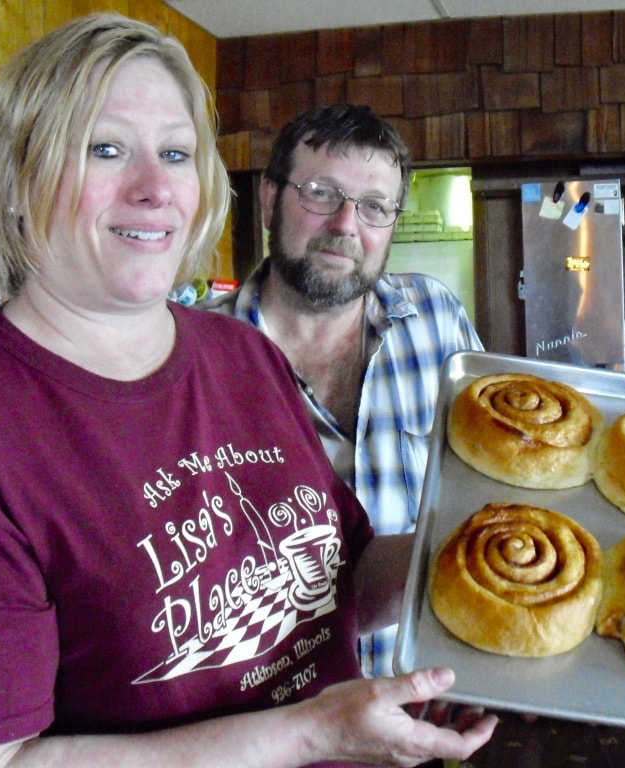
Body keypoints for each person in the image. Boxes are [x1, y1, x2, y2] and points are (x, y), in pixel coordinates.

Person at [0, 14, 496, 768]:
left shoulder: (242, 353)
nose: (154, 189)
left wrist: (480, 558)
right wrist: (312, 735)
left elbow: (341, 580)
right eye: (105, 149)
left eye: (175, 153)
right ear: (16, 179)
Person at [198, 104, 483, 677]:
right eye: (321, 192)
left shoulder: (437, 320)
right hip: (273, 725)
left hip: (429, 699)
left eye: (374, 207)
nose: (346, 225)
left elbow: (483, 484)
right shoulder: (198, 359)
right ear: (271, 200)